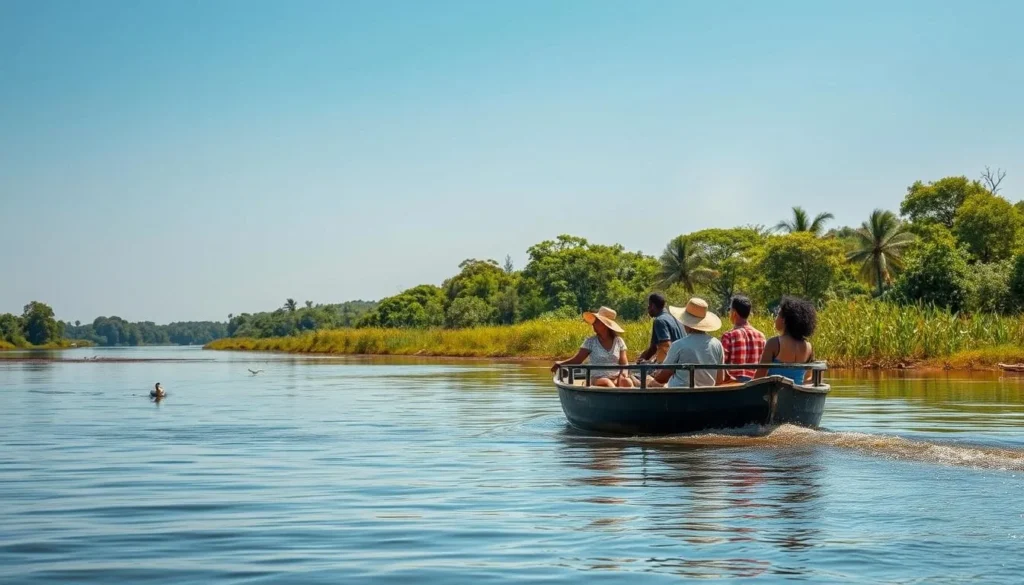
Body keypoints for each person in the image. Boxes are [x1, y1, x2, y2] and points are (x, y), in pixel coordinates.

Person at [647, 298, 725, 388]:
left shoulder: (678, 345)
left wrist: (653, 379)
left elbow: (663, 378)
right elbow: (719, 380)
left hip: (679, 393)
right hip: (706, 393)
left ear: (687, 323)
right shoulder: (717, 344)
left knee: (648, 381)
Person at [550, 307, 633, 388]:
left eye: (596, 322)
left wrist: (624, 374)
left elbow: (624, 363)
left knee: (627, 382)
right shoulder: (590, 342)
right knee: (607, 382)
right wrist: (560, 364)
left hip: (615, 377)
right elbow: (577, 360)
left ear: (604, 325)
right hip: (597, 379)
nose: (593, 324)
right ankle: (615, 397)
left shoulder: (619, 341)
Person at [754, 296, 816, 384]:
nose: (775, 318)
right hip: (796, 394)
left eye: (778, 315)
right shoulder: (809, 347)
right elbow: (808, 379)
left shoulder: (774, 343)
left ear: (785, 320)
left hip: (774, 393)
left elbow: (758, 378)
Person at [720, 295, 767, 383]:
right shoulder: (761, 336)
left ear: (734, 313)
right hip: (754, 385)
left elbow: (721, 365)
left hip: (733, 386)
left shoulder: (729, 336)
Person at [637, 293, 684, 364]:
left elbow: (665, 346)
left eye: (649, 305)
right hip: (683, 361)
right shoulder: (674, 318)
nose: (648, 307)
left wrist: (643, 361)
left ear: (652, 306)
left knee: (639, 373)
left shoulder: (659, 320)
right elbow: (654, 348)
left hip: (674, 365)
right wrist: (644, 358)